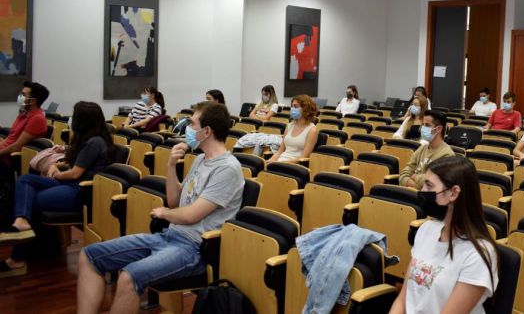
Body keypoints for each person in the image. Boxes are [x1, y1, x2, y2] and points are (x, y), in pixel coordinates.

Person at [77, 102, 244, 314]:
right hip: (168, 236)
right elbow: (175, 202)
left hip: (192, 249)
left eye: (192, 123)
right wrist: (171, 165)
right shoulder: (201, 159)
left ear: (207, 131)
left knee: (129, 277)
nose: (187, 128)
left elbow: (191, 215)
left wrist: (164, 213)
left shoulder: (227, 169)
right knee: (89, 256)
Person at [0, 101, 113, 278]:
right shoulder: (86, 138)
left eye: (74, 116)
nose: (71, 119)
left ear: (82, 120)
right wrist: (56, 166)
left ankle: (18, 259)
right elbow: (73, 163)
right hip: (68, 184)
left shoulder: (94, 142)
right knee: (25, 180)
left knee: (31, 201)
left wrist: (55, 174)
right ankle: (22, 222)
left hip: (78, 191)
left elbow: (75, 173)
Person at [390, 156, 499, 314]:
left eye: (429, 185)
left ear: (453, 193)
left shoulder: (479, 254)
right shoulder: (426, 229)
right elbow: (402, 300)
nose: (422, 191)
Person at [0, 81, 49, 178]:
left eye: (23, 95)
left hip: (9, 160)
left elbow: (16, 147)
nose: (20, 97)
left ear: (33, 100)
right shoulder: (24, 114)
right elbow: (10, 137)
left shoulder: (37, 119)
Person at [399, 110, 455, 190]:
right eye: (423, 124)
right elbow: (404, 174)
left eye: (427, 125)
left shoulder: (447, 155)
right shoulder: (421, 149)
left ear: (438, 129)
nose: (423, 128)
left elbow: (434, 184)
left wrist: (415, 176)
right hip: (411, 196)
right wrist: (418, 185)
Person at [266, 95, 319, 164]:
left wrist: (278, 163)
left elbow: (303, 158)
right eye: (292, 106)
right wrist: (270, 161)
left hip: (294, 166)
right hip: (280, 162)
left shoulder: (312, 130)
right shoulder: (289, 125)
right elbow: (280, 151)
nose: (292, 109)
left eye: (296, 106)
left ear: (306, 109)